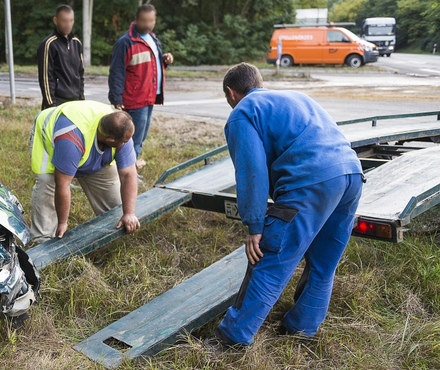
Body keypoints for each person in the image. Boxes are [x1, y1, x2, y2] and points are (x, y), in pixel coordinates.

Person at [208, 63, 364, 350]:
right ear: (260, 82)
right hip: (351, 175)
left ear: (231, 93)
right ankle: (301, 328)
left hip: (309, 182)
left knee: (268, 261)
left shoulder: (242, 113)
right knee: (323, 263)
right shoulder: (297, 98)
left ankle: (231, 339)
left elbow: (251, 173)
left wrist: (255, 226)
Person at [29, 100, 140, 243]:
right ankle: (42, 240)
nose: (128, 144)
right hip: (50, 136)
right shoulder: (70, 139)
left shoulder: (122, 129)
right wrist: (63, 223)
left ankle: (114, 233)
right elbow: (62, 185)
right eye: (124, 142)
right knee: (48, 182)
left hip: (87, 144)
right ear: (111, 140)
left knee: (116, 208)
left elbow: (128, 174)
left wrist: (129, 213)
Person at [108, 4, 173, 169]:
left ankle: (128, 169)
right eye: (144, 21)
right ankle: (127, 173)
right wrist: (116, 97)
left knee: (140, 137)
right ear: (136, 20)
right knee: (132, 139)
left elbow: (150, 66)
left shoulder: (152, 38)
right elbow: (116, 71)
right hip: (135, 99)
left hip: (150, 97)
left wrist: (165, 60)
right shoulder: (125, 42)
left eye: (151, 20)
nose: (148, 24)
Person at [37, 5, 85, 110]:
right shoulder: (49, 44)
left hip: (75, 103)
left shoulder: (77, 43)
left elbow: (80, 74)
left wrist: (81, 100)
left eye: (71, 20)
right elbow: (45, 78)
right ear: (56, 20)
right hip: (57, 103)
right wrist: (51, 106)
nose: (68, 24)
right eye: (64, 21)